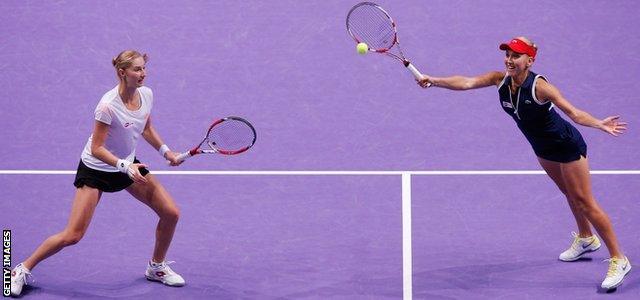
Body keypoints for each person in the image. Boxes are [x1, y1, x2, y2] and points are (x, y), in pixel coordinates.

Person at [416, 37, 630, 290]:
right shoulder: (500, 80)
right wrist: (434, 80)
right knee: (568, 194)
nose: (509, 60)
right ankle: (586, 239)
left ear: (530, 60)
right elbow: (467, 82)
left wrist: (599, 123)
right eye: (507, 55)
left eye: (516, 56)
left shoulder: (541, 87)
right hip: (542, 147)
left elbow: (573, 113)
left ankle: (619, 258)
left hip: (566, 145)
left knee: (585, 202)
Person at [11, 50, 186, 296]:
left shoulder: (146, 95)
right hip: (97, 169)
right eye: (137, 69)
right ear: (122, 73)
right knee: (73, 235)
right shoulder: (107, 106)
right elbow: (97, 148)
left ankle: (156, 267)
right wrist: (125, 167)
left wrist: (166, 151)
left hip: (126, 164)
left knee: (171, 213)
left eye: (144, 68)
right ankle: (21, 268)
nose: (143, 74)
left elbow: (146, 128)